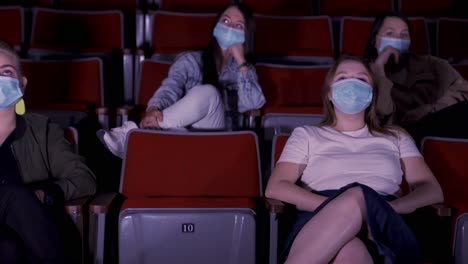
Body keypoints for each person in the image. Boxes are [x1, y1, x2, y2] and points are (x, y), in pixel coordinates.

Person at [265, 56, 443, 263]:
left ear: (372, 93)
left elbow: (432, 189)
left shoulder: (396, 137)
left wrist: (387, 208)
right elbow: (276, 187)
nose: (352, 84)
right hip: (319, 218)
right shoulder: (306, 135)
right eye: (342, 78)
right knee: (350, 251)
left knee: (359, 195)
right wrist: (341, 206)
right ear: (330, 93)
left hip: (384, 221)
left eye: (361, 79)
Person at [98, 2, 266, 158]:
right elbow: (170, 88)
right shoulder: (190, 60)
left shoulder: (245, 71)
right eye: (226, 21)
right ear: (216, 26)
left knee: (208, 92)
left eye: (238, 26)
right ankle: (144, 133)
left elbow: (252, 105)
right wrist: (154, 109)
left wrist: (241, 62)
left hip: (220, 140)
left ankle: (133, 135)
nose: (230, 28)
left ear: (246, 35)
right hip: (182, 134)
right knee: (186, 115)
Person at [0, 40, 96, 263]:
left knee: (8, 249)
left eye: (7, 72)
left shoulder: (42, 129)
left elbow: (84, 179)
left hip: (23, 232)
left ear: (21, 85)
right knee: (16, 196)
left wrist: (44, 194)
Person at [363, 11, 468, 147]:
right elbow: (378, 120)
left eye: (404, 35)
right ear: (375, 40)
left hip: (437, 126)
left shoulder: (432, 64)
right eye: (390, 33)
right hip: (397, 136)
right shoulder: (363, 73)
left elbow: (464, 89)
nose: (397, 39)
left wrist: (430, 110)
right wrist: (379, 70)